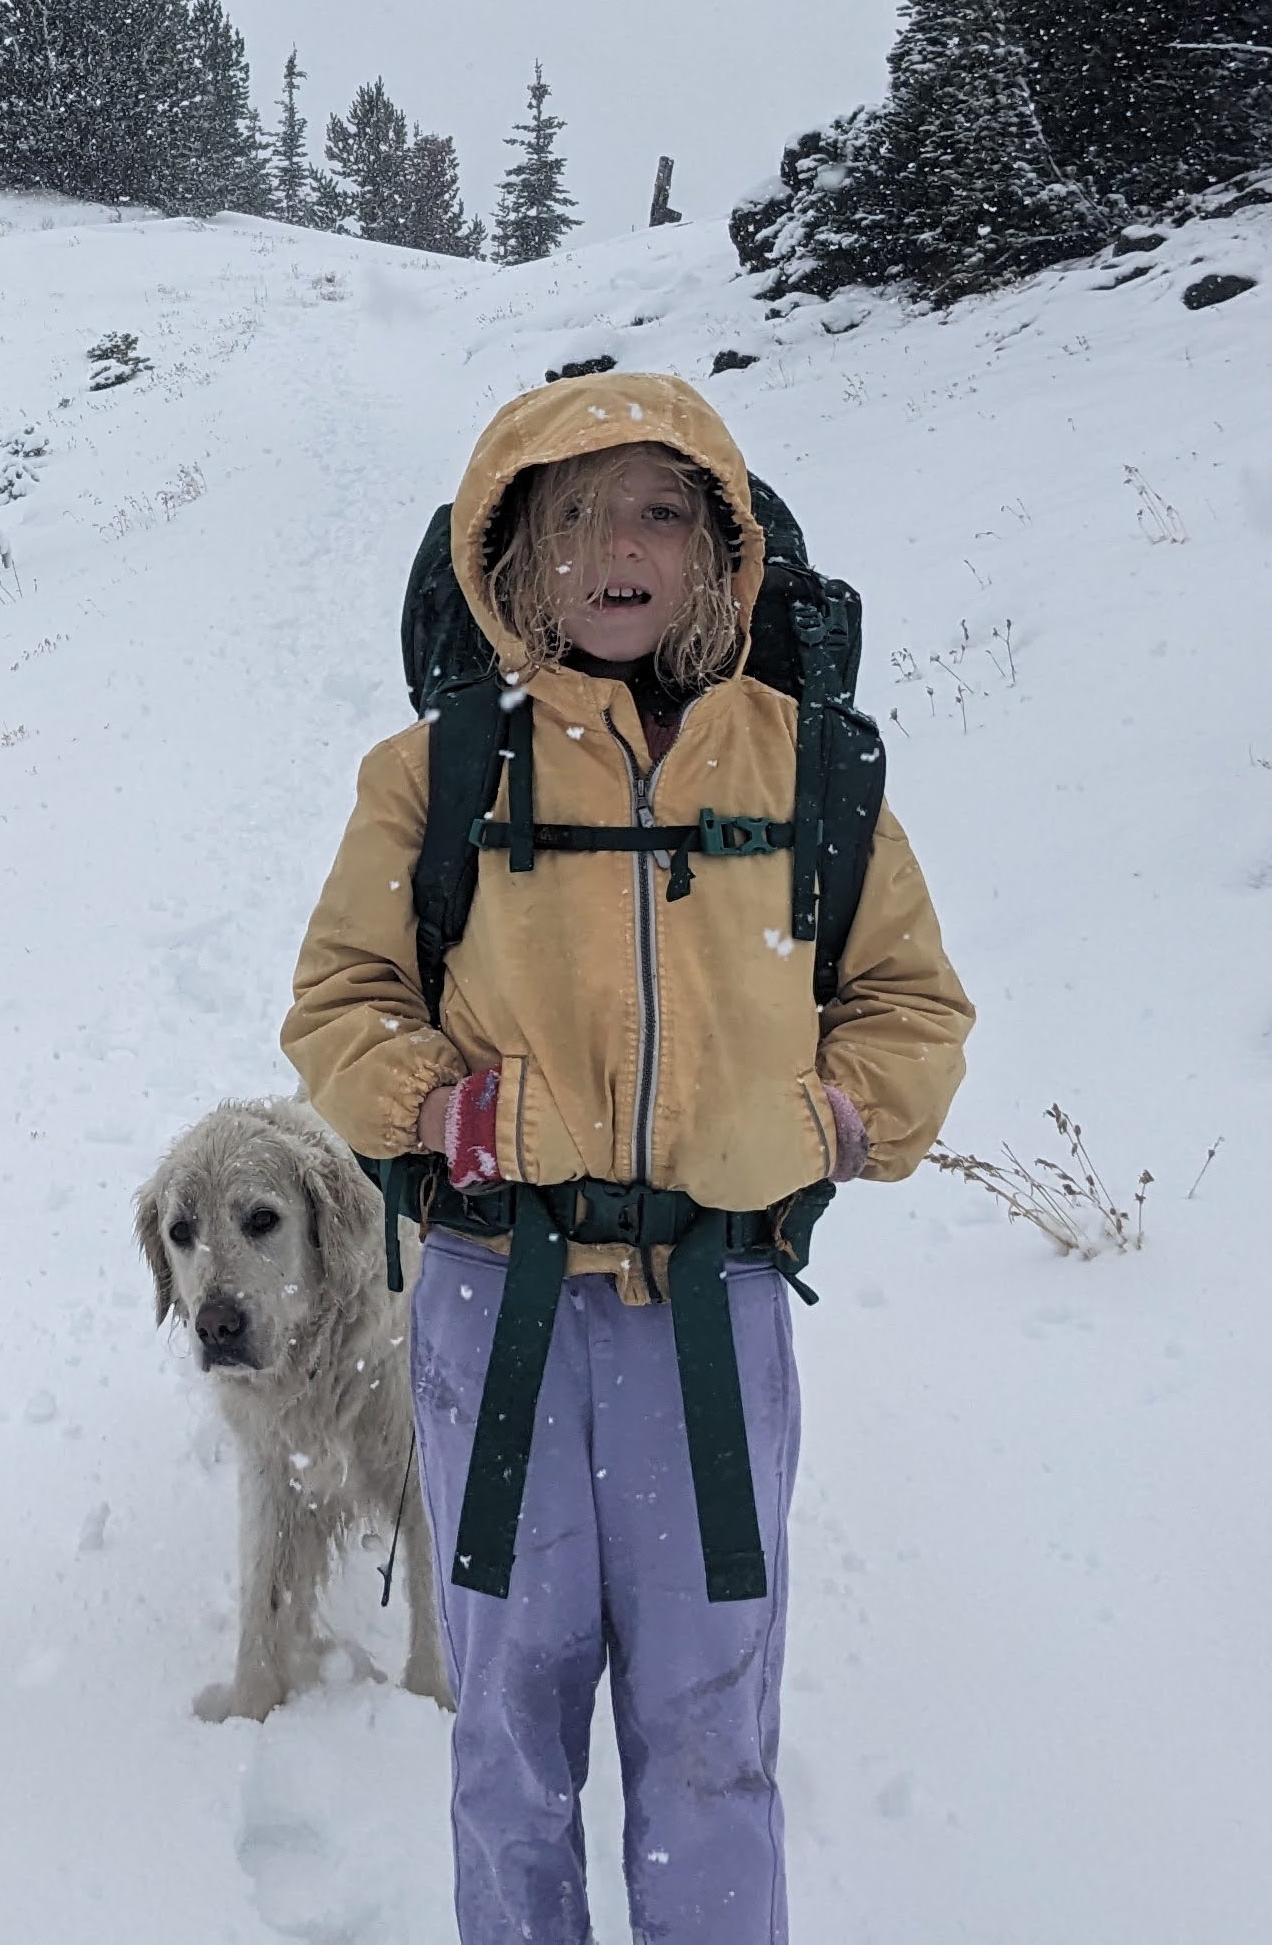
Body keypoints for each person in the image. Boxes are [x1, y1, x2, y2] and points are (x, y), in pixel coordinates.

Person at [282, 375, 973, 1945]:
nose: (618, 547)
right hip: (492, 1302)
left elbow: (911, 1010)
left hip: (717, 1318)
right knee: (510, 1730)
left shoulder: (813, 770)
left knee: (712, 1728)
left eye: (661, 509)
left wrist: (824, 1124)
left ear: (725, 550)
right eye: (574, 513)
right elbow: (339, 1006)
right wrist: (449, 1113)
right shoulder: (438, 774)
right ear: (509, 553)